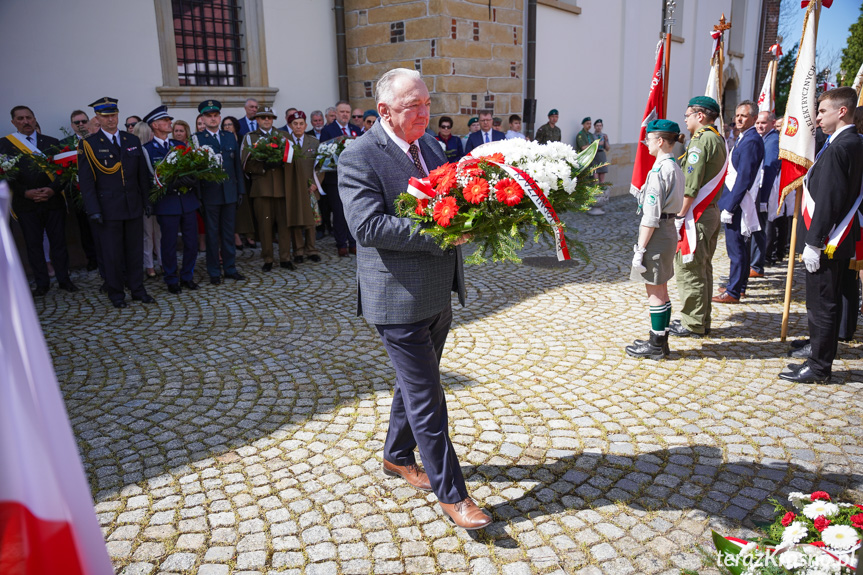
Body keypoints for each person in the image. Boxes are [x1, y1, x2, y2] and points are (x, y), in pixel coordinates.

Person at [339, 67, 491, 531]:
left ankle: (395, 455)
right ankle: (454, 494)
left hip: (436, 291)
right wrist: (443, 230)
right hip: (397, 298)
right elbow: (367, 227)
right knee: (428, 396)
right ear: (384, 110)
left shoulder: (428, 144)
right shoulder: (359, 155)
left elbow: (445, 196)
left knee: (413, 385)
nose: (425, 113)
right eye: (413, 106)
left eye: (427, 103)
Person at [780, 88, 862, 383]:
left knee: (821, 304)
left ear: (842, 112)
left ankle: (818, 367)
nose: (817, 117)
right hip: (835, 239)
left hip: (828, 241)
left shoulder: (842, 146)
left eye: (822, 111)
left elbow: (830, 199)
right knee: (828, 302)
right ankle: (819, 355)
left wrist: (813, 243)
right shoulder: (850, 142)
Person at [77, 97, 153, 308]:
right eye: (105, 116)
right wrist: (93, 210)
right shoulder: (88, 144)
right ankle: (116, 293)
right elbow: (87, 181)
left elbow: (141, 176)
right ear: (98, 118)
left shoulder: (132, 140)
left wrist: (146, 201)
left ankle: (138, 289)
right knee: (112, 254)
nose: (111, 120)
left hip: (133, 205)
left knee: (135, 251)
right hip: (107, 208)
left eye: (113, 115)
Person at [0, 105, 77, 295]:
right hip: (25, 203)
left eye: (28, 118)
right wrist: (24, 192)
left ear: (34, 119)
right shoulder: (5, 144)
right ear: (13, 122)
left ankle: (64, 279)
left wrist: (52, 189)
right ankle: (42, 283)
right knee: (33, 244)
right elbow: (4, 175)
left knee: (59, 242)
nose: (25, 121)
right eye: (20, 119)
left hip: (53, 201)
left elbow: (65, 171)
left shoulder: (51, 142)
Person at [668, 96, 728, 338]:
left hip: (697, 213)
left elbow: (690, 186)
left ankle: (692, 322)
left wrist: (680, 216)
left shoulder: (700, 142)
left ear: (700, 116)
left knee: (689, 268)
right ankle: (702, 319)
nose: (685, 119)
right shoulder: (717, 138)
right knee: (703, 268)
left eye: (688, 114)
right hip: (710, 211)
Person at [626, 120, 685, 359]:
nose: (646, 144)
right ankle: (660, 339)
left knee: (654, 290)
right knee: (661, 288)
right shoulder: (674, 166)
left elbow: (650, 217)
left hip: (659, 232)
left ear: (660, 141)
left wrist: (640, 249)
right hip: (668, 228)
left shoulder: (661, 170)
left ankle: (656, 345)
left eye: (649, 139)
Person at [142, 105, 200, 294]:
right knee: (168, 244)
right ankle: (171, 278)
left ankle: (187, 276)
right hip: (167, 204)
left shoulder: (179, 145)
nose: (170, 123)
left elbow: (192, 168)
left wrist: (191, 178)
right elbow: (148, 179)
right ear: (155, 125)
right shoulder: (147, 150)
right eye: (166, 121)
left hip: (187, 201)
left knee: (192, 242)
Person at [713, 101, 764, 304]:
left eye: (744, 116)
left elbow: (744, 177)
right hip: (736, 200)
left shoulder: (751, 141)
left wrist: (731, 207)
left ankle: (734, 292)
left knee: (736, 249)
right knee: (738, 248)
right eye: (737, 115)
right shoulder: (745, 137)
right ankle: (738, 286)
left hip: (739, 202)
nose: (739, 119)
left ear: (753, 118)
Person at [193, 99, 246, 285]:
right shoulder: (197, 139)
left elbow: (236, 165)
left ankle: (230, 268)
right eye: (209, 116)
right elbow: (196, 172)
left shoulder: (229, 136)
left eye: (216, 116)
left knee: (229, 233)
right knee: (212, 235)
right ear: (203, 119)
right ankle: (214, 271)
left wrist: (240, 190)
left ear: (220, 117)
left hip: (230, 192)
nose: (213, 119)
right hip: (210, 194)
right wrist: (198, 196)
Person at [241, 106, 293, 271]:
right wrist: (263, 167)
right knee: (264, 227)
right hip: (261, 187)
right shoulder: (250, 138)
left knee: (284, 226)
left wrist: (282, 162)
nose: (266, 120)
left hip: (281, 187)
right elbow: (245, 163)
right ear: (257, 120)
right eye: (263, 117)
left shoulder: (283, 136)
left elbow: (292, 158)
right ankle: (268, 259)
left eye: (269, 118)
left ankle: (285, 258)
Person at [320, 100, 361, 257]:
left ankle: (353, 242)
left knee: (353, 211)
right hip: (334, 178)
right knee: (339, 212)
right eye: (342, 112)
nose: (345, 115)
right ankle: (341, 243)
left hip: (354, 178)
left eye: (347, 112)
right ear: (336, 114)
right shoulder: (328, 130)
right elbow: (324, 152)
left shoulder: (356, 130)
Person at [284, 110, 322, 264]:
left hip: (310, 187)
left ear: (306, 125)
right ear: (290, 125)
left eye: (301, 124)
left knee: (311, 220)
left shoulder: (314, 142)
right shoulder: (286, 143)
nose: (298, 127)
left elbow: (320, 166)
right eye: (295, 124)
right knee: (296, 219)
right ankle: (298, 250)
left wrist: (316, 184)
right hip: (294, 188)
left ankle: (311, 249)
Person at [65, 109, 99, 271]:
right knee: (84, 228)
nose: (80, 125)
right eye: (77, 122)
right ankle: (91, 258)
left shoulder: (98, 139)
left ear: (89, 123)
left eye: (83, 121)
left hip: (100, 191)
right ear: (72, 126)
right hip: (78, 193)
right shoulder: (65, 144)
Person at [750, 111, 781, 276]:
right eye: (757, 123)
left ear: (772, 123)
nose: (759, 126)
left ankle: (756, 265)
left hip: (764, 192)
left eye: (763, 123)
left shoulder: (772, 140)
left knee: (759, 228)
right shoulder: (764, 138)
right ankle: (754, 263)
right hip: (759, 191)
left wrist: (763, 198)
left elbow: (768, 170)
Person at [133, 121, 162, 279]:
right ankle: (149, 265)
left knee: (157, 233)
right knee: (148, 234)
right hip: (145, 198)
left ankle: (160, 262)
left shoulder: (152, 150)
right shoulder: (139, 152)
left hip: (157, 196)